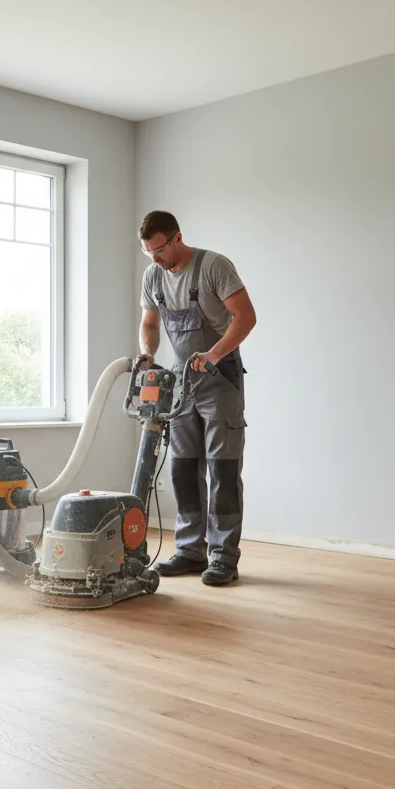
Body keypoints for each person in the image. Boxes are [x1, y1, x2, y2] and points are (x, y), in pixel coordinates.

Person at [136, 211, 257, 586]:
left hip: (220, 378)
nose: (154, 259)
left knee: (222, 470)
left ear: (176, 239)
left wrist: (214, 355)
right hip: (181, 383)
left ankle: (223, 557)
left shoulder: (213, 266)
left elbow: (246, 317)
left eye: (158, 250)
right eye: (147, 253)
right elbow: (150, 323)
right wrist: (148, 355)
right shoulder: (154, 276)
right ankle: (190, 551)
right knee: (183, 469)